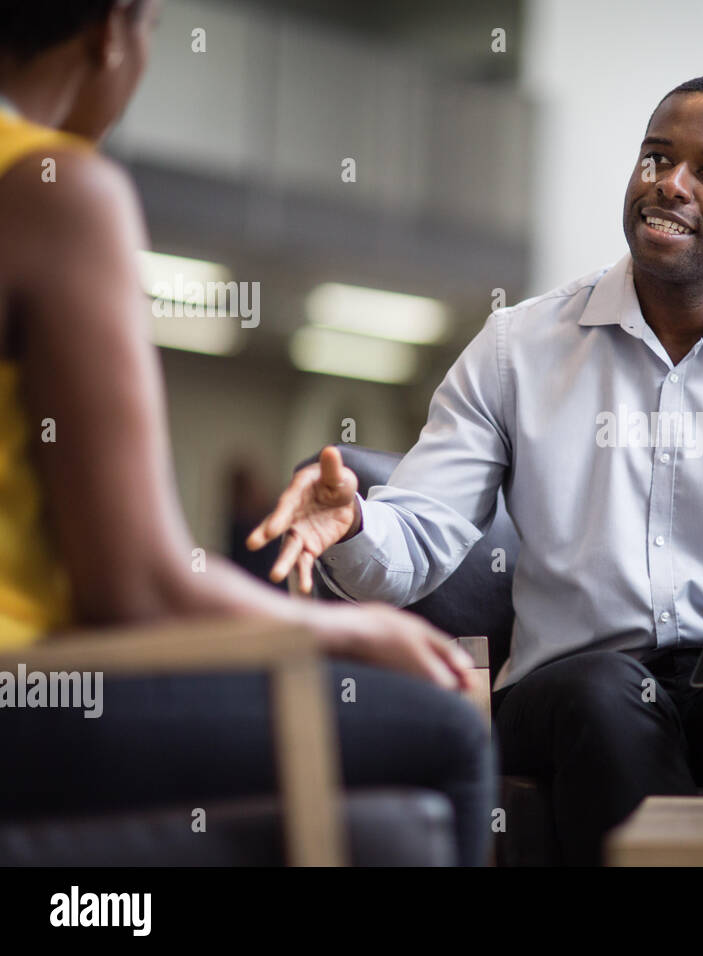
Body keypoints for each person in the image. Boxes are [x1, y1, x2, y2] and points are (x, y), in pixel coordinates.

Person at [251, 74, 703, 866]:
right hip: (569, 693)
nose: (669, 185)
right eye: (656, 158)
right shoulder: (518, 347)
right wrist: (358, 523)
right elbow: (419, 541)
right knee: (608, 690)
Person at [0, 0, 492, 865]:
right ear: (113, 28)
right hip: (28, 694)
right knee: (446, 727)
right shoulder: (57, 188)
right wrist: (356, 632)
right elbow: (139, 590)